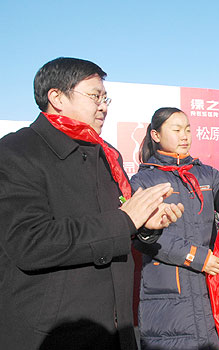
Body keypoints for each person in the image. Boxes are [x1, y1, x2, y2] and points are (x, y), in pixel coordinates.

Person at [0, 57, 183, 350]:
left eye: (105, 97)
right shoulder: (16, 152)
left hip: (115, 327)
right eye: (95, 96)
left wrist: (144, 226)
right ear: (56, 97)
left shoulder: (105, 153)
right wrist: (124, 221)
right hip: (52, 334)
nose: (104, 106)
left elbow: (117, 225)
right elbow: (30, 242)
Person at [130, 107, 219, 350]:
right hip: (167, 289)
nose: (184, 136)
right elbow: (142, 237)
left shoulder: (207, 175)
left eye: (187, 129)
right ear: (155, 135)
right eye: (176, 130)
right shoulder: (142, 181)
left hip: (209, 283)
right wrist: (196, 257)